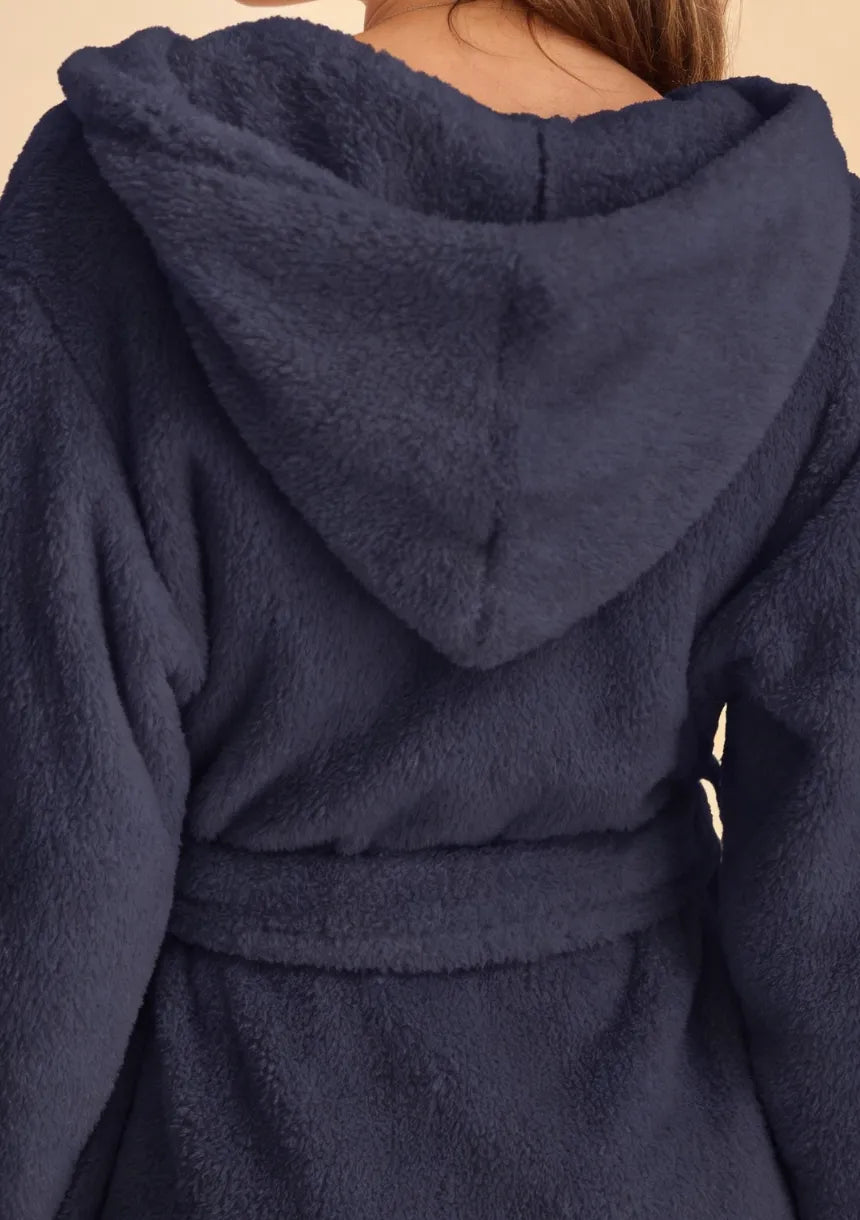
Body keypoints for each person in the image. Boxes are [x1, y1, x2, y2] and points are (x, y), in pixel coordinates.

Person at [0, 0, 857, 1215]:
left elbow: (52, 870)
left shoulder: (117, 209)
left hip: (221, 1146)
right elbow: (832, 907)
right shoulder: (795, 257)